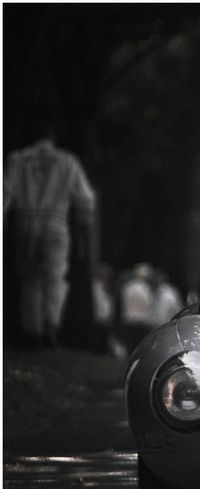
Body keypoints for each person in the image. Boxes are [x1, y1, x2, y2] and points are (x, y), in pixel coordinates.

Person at [3, 118, 97, 349]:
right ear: (52, 137)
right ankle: (51, 325)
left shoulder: (17, 159)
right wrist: (84, 229)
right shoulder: (67, 161)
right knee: (54, 278)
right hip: (55, 224)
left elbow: (5, 193)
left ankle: (32, 330)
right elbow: (85, 199)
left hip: (25, 223)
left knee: (30, 280)